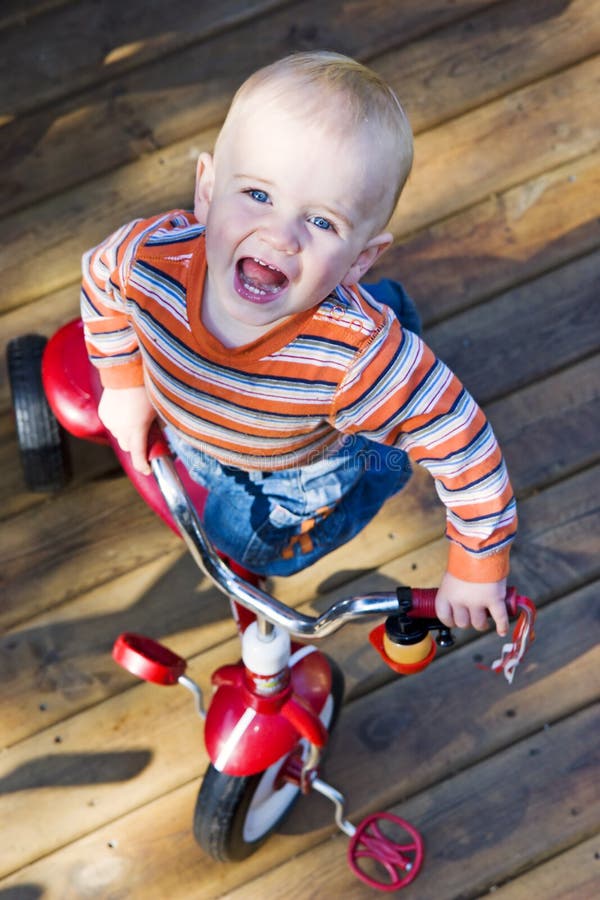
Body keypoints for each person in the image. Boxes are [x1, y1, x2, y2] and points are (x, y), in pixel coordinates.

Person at [81, 51, 517, 637]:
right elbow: (101, 275)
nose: (280, 234)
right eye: (258, 195)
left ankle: (381, 468)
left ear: (360, 257)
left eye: (322, 222)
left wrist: (476, 566)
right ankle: (394, 309)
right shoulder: (152, 258)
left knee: (247, 545)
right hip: (194, 417)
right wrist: (125, 383)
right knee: (382, 346)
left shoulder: (355, 358)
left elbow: (463, 442)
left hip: (296, 468)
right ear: (207, 191)